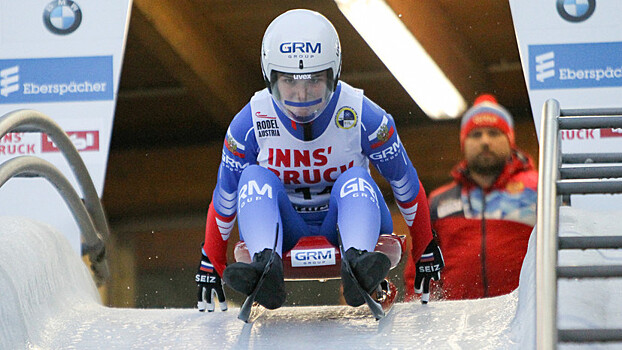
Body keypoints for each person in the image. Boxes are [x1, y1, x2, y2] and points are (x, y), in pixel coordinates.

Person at [194, 9, 444, 312]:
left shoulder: (364, 115)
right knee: (253, 178)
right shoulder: (249, 123)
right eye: (289, 82)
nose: (301, 95)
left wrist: (425, 248)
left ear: (333, 75)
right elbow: (226, 196)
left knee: (355, 178)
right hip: (284, 228)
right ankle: (265, 267)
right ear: (270, 77)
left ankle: (358, 264)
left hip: (348, 222)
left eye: (314, 82)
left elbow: (404, 182)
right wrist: (212, 261)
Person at [404, 94, 537, 301]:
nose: (485, 141)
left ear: (510, 140)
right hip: (458, 325)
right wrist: (419, 316)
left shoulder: (539, 189)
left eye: (494, 133)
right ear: (463, 143)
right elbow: (420, 267)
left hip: (527, 317)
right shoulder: (439, 201)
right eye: (476, 135)